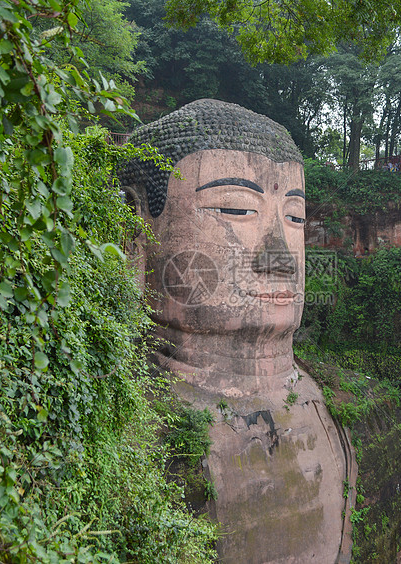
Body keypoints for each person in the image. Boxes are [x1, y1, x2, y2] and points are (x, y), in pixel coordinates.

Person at [120, 99, 355, 563]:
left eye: (295, 218)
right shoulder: (124, 437)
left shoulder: (348, 414)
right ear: (136, 226)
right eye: (235, 208)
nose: (280, 258)